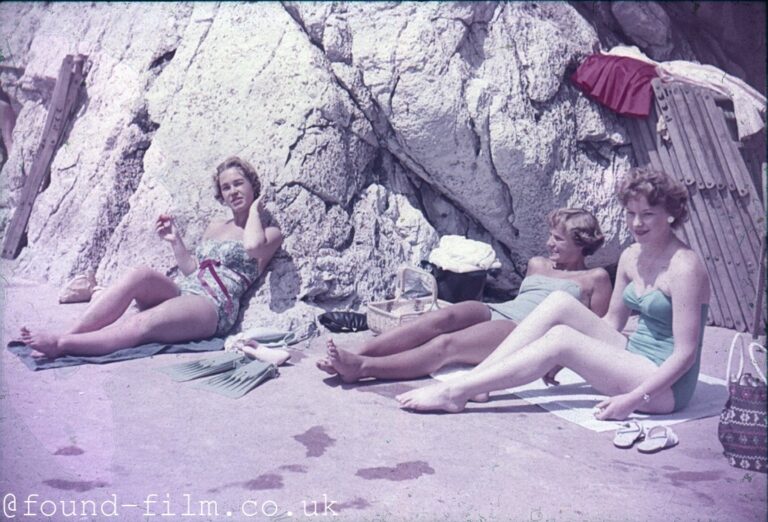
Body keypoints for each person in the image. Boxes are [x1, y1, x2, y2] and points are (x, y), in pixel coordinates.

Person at [396, 167, 710, 420]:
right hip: (633, 356)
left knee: (562, 339)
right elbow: (613, 320)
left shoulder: (684, 267)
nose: (636, 223)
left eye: (648, 214)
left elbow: (685, 355)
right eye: (630, 213)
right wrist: (589, 355)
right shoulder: (632, 255)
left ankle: (455, 393)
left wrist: (630, 401)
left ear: (670, 213)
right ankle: (479, 380)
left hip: (665, 385)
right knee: (560, 303)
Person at [20, 156, 283, 358]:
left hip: (213, 306)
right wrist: (175, 240)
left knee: (142, 323)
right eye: (226, 188)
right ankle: (71, 333)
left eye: (239, 184)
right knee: (140, 274)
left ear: (253, 186)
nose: (233, 191)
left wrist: (255, 210)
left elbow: (252, 247)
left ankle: (62, 345)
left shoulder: (270, 233)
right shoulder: (215, 225)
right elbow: (192, 270)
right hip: (188, 290)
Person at [318, 208, 612, 383]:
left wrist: (557, 360)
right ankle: (356, 353)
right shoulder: (538, 265)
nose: (549, 243)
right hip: (502, 310)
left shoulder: (594, 279)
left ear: (582, 243)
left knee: (447, 344)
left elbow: (596, 334)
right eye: (551, 235)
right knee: (440, 317)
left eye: (558, 239)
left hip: (523, 331)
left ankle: (364, 368)